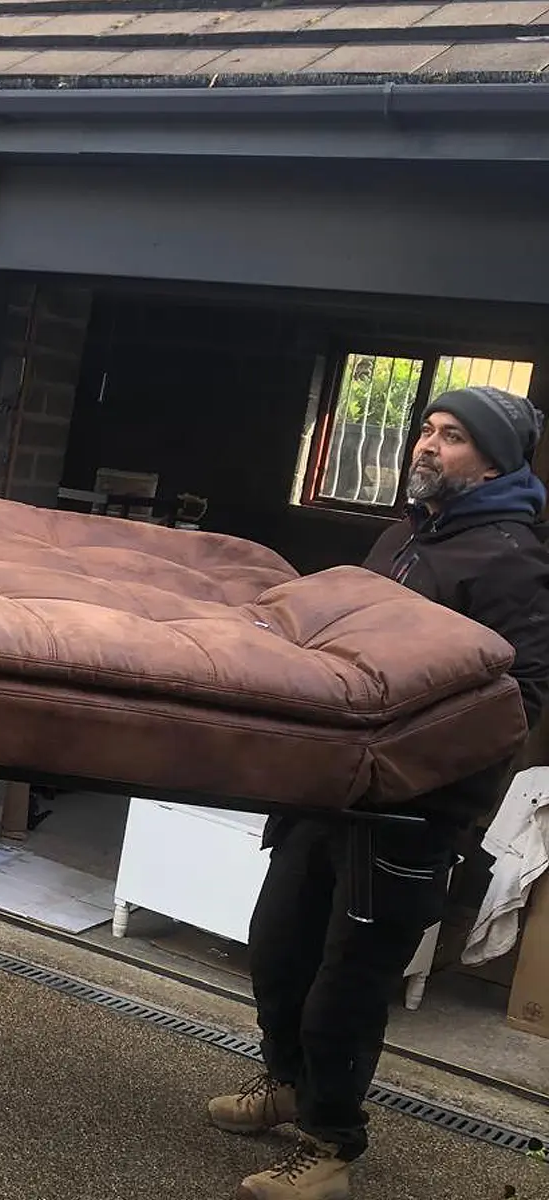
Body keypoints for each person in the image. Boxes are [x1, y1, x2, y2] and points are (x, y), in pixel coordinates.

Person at [208, 385, 549, 1199]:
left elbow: (518, 702)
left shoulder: (511, 561)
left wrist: (404, 766)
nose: (427, 445)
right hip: (324, 794)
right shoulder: (403, 537)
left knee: (346, 990)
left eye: (453, 436)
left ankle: (330, 1147)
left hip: (405, 821)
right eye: (426, 429)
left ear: (496, 459)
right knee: (278, 951)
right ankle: (287, 1083)